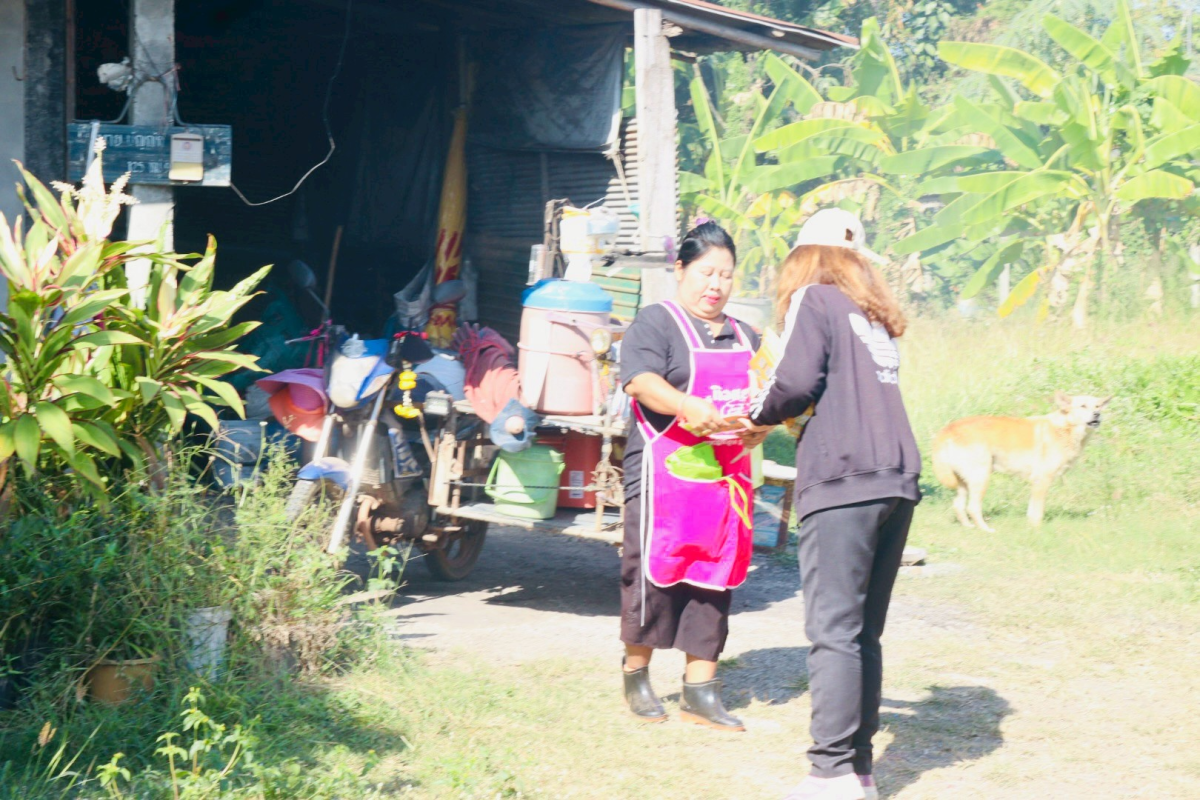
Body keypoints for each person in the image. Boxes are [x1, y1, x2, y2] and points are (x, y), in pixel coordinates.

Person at [748, 209, 922, 800]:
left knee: (833, 632)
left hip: (844, 477)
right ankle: (859, 772)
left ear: (807, 258)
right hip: (895, 477)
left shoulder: (813, 299)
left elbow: (794, 383)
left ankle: (829, 776)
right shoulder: (871, 317)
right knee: (862, 634)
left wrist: (752, 414)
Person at [618, 220, 769, 731]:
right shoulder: (656, 323)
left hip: (726, 483)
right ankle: (636, 675)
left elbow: (769, 395)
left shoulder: (748, 336)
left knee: (714, 580)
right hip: (662, 480)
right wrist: (685, 405)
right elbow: (639, 381)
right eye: (706, 273)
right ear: (680, 270)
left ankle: (700, 692)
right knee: (652, 578)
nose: (716, 285)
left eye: (725, 275)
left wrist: (762, 427)